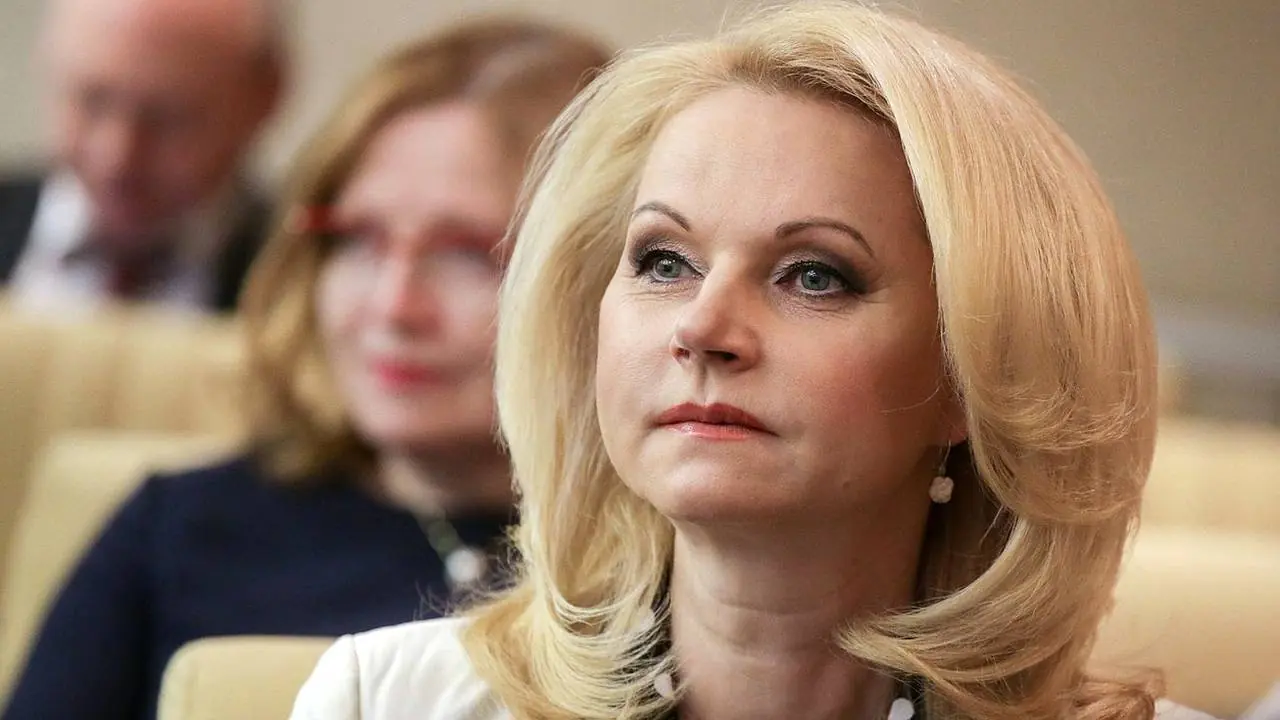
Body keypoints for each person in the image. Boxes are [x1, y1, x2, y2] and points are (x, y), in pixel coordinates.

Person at [288, 3, 1216, 720]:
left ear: (978, 376)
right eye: (664, 261)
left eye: (815, 276)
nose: (703, 327)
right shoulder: (384, 700)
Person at [2, 18, 610, 720]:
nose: (393, 307)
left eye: (467, 253)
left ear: (606, 274)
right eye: (360, 240)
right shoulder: (174, 529)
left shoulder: (673, 571)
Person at [0, 0, 285, 314]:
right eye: (93, 101)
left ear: (264, 99)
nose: (116, 157)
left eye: (167, 117)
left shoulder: (300, 269)